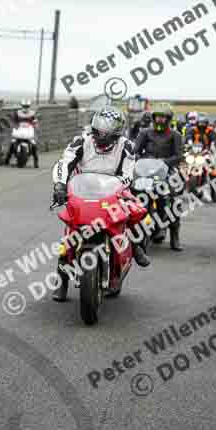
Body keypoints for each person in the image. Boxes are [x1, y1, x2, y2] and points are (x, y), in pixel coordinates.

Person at [51, 106, 151, 302]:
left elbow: (127, 174)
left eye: (107, 132)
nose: (101, 135)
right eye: (99, 130)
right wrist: (60, 186)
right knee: (69, 234)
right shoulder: (81, 141)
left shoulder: (127, 146)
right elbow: (64, 163)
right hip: (82, 190)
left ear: (117, 132)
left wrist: (117, 189)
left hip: (115, 190)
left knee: (137, 211)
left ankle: (136, 246)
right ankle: (61, 281)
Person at [133, 104, 185, 251]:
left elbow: (179, 155)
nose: (160, 120)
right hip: (146, 169)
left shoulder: (175, 135)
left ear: (168, 119)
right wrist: (139, 159)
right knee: (133, 192)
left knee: (173, 199)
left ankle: (175, 236)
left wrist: (164, 162)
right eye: (158, 117)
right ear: (153, 118)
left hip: (167, 169)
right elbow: (135, 151)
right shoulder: (145, 133)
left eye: (163, 117)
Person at [4, 99, 39, 168]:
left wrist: (36, 125)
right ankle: (7, 160)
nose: (25, 108)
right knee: (12, 143)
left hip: (28, 131)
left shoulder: (32, 113)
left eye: (27, 106)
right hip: (19, 130)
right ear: (22, 106)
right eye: (24, 106)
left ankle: (36, 162)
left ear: (29, 106)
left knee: (34, 145)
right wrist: (14, 126)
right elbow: (13, 121)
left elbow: (35, 121)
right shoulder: (17, 113)